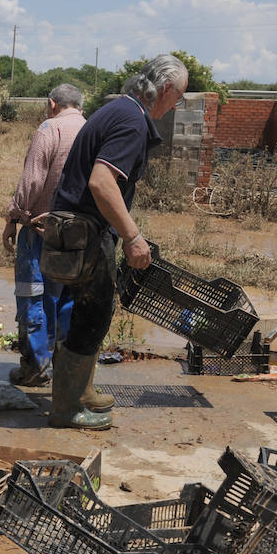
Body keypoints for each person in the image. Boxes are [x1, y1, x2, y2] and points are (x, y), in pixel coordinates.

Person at [43, 54, 187, 430]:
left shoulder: (118, 110)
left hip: (79, 229)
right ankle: (66, 408)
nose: (177, 106)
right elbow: (102, 182)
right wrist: (133, 237)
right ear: (166, 89)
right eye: (179, 97)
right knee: (93, 313)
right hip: (87, 230)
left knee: (90, 312)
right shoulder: (131, 121)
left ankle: (82, 391)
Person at [2, 83, 86, 386]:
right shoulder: (92, 131)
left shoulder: (50, 130)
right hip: (78, 235)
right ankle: (66, 370)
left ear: (52, 104)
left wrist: (14, 216)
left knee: (33, 296)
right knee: (66, 299)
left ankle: (35, 367)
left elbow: (33, 180)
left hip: (41, 230)